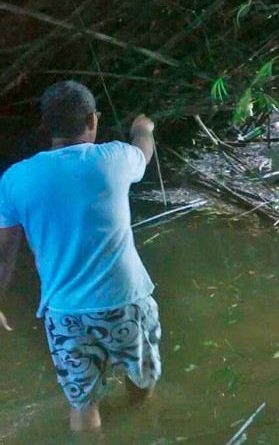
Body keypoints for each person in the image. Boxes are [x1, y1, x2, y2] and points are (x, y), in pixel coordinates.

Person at [0, 81, 161, 432]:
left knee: (83, 403)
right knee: (142, 376)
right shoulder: (115, 158)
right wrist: (143, 129)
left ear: (46, 125)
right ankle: (142, 423)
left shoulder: (15, 180)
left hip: (65, 313)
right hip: (126, 302)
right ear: (92, 120)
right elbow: (143, 152)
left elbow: (3, 258)